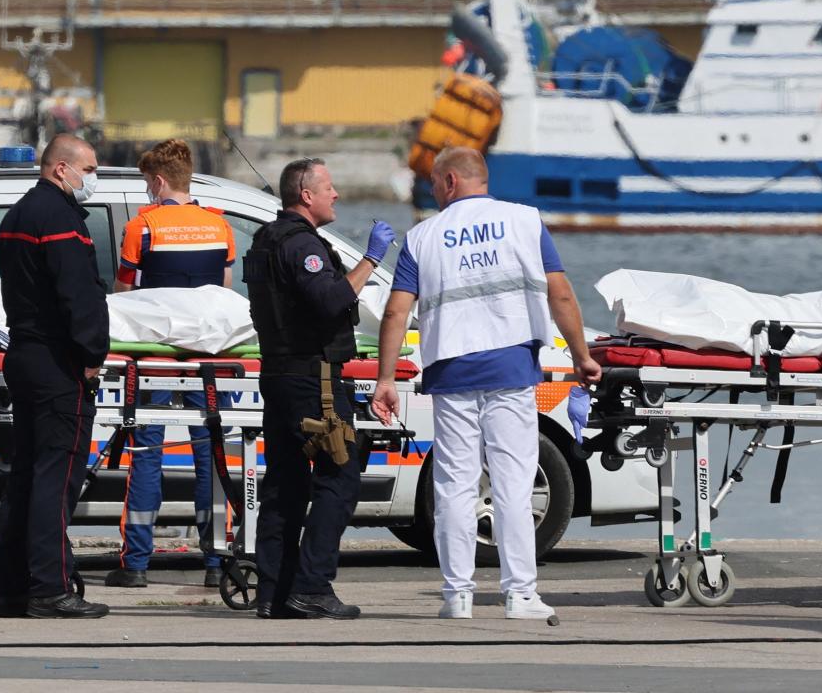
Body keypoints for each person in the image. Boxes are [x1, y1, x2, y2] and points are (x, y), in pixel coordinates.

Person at [371, 146, 601, 621]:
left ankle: (457, 596)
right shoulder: (525, 222)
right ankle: (520, 595)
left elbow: (396, 310)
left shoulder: (422, 237)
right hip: (511, 368)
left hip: (451, 372)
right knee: (514, 482)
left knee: (455, 484)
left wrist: (387, 378)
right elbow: (560, 291)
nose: (433, 193)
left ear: (451, 181)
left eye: (434, 184)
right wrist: (581, 356)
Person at [244, 157, 395, 619]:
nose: (337, 195)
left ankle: (274, 591)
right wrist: (371, 259)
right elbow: (331, 300)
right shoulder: (301, 246)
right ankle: (311, 585)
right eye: (328, 187)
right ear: (306, 195)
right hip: (315, 380)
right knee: (340, 477)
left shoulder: (266, 239)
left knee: (286, 484)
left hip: (280, 373)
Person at [103, 139, 236, 590]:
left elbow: (124, 298)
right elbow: (223, 292)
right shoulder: (220, 227)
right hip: (209, 357)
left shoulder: (142, 227)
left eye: (146, 183)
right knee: (212, 454)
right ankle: (217, 561)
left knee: (146, 453)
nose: (146, 191)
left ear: (158, 181)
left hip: (153, 356)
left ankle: (136, 564)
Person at [0, 134, 111, 619]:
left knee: (26, 476)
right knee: (55, 478)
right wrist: (92, 353)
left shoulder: (17, 215)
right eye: (89, 168)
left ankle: (12, 589)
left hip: (24, 354)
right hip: (57, 362)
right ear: (61, 169)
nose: (92, 178)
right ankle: (50, 588)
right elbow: (78, 295)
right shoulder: (59, 219)